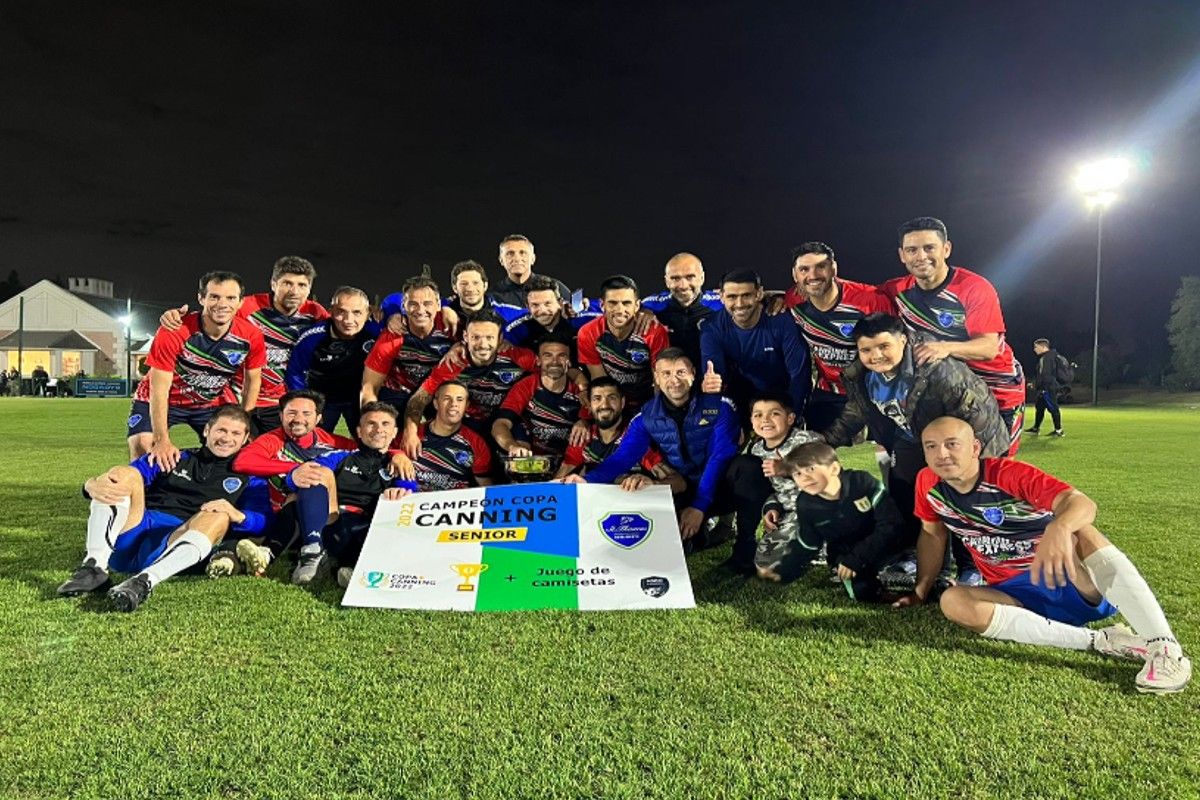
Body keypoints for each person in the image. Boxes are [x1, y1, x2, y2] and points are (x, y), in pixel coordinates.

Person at [896, 416, 1191, 694]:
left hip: (1072, 582)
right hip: (1014, 598)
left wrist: (1059, 527)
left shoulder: (1007, 474)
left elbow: (1081, 503)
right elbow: (932, 535)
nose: (942, 454)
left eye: (952, 444)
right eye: (931, 446)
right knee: (953, 601)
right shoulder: (927, 483)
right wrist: (920, 592)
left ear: (975, 448)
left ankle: (1165, 648)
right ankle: (1102, 640)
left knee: (1082, 531)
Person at [823, 313, 1008, 585]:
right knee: (904, 495)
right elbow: (856, 411)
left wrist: (967, 459)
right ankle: (913, 556)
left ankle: (970, 567)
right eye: (866, 349)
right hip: (913, 439)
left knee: (959, 497)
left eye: (884, 346)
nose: (876, 356)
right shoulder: (862, 376)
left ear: (903, 341)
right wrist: (825, 441)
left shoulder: (939, 370)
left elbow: (975, 416)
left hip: (968, 440)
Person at [56, 404, 271, 612]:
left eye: (235, 433)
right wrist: (89, 485)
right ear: (207, 430)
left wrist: (237, 514)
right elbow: (124, 476)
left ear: (245, 439)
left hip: (176, 544)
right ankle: (94, 566)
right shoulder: (175, 457)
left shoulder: (250, 478)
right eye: (221, 430)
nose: (226, 438)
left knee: (219, 515)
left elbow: (264, 521)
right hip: (134, 533)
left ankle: (144, 582)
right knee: (123, 473)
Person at [567, 349, 754, 571]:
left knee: (748, 468)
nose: (674, 380)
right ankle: (697, 533)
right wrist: (587, 480)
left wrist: (699, 506)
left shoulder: (720, 406)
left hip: (721, 487)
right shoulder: (647, 416)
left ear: (693, 374)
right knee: (662, 542)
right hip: (685, 488)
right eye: (666, 373)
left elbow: (719, 458)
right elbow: (623, 458)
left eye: (681, 372)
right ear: (656, 377)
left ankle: (746, 547)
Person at [881, 217, 1026, 454]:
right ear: (902, 255)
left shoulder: (973, 287)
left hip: (997, 388)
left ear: (946, 249)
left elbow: (989, 348)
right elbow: (856, 298)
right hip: (947, 392)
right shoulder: (896, 290)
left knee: (993, 468)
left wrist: (944, 347)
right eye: (912, 250)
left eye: (929, 248)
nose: (921, 256)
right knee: (943, 462)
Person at [160, 256, 327, 434]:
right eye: (287, 283)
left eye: (302, 285)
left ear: (309, 289)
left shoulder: (316, 314)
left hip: (279, 401)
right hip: (237, 396)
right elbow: (214, 314)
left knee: (282, 449)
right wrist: (174, 316)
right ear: (273, 284)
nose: (294, 291)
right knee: (230, 446)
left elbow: (340, 331)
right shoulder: (246, 307)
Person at [128, 271, 266, 468]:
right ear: (201, 298)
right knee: (143, 445)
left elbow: (253, 380)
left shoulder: (251, 335)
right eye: (214, 297)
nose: (222, 304)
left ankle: (209, 485)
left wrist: (245, 421)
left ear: (240, 302)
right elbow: (159, 390)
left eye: (230, 298)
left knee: (234, 449)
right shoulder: (174, 330)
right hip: (164, 399)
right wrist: (161, 439)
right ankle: (142, 486)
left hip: (210, 402)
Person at [276, 402, 417, 585]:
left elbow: (410, 493)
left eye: (385, 424)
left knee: (390, 518)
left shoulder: (400, 465)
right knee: (313, 476)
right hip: (330, 521)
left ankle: (348, 567)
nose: (378, 429)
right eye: (371, 423)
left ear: (395, 432)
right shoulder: (340, 457)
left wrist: (399, 492)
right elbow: (301, 477)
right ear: (359, 431)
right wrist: (293, 478)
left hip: (367, 528)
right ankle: (312, 552)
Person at [758, 442, 909, 601]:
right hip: (846, 556)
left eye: (811, 469)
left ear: (834, 469)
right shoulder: (805, 504)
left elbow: (891, 524)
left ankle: (903, 570)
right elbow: (808, 543)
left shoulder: (862, 482)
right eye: (797, 473)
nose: (805, 477)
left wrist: (858, 557)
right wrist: (783, 570)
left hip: (884, 546)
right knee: (862, 593)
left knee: (905, 574)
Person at [784, 242, 894, 433]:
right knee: (818, 447)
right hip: (829, 390)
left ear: (833, 269)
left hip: (873, 390)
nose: (813, 275)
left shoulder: (870, 300)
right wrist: (772, 299)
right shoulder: (793, 300)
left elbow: (895, 346)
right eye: (804, 269)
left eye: (821, 266)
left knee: (883, 448)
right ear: (795, 275)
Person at [400, 311, 537, 455]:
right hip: (468, 423)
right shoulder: (454, 363)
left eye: (490, 337)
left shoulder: (518, 357)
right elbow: (419, 399)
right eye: (476, 337)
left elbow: (549, 372)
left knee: (521, 451)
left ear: (500, 338)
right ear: (465, 337)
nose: (483, 345)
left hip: (509, 421)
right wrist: (410, 433)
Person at [701, 269, 811, 426]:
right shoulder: (712, 328)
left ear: (759, 294)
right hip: (742, 397)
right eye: (732, 297)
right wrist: (713, 384)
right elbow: (715, 375)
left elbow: (799, 375)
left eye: (746, 295)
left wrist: (790, 418)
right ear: (722, 297)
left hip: (783, 395)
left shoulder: (781, 321)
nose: (739, 304)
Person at [735, 395, 822, 578]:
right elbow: (771, 489)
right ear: (751, 420)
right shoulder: (757, 450)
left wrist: (787, 469)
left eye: (774, 413)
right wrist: (772, 507)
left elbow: (827, 480)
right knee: (766, 562)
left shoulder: (807, 440)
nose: (765, 420)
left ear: (790, 418)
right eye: (758, 415)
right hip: (791, 513)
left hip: (821, 509)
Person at [285, 286, 381, 434]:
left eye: (357, 312)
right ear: (331, 311)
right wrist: (306, 404)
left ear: (367, 313)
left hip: (359, 399)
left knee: (369, 439)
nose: (349, 320)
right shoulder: (313, 337)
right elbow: (295, 372)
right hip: (323, 400)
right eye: (341, 312)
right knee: (313, 441)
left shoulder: (377, 333)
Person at [362, 275, 456, 413]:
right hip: (399, 391)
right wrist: (369, 418)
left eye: (427, 304)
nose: (420, 310)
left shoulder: (452, 329)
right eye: (413, 304)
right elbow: (370, 387)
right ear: (404, 306)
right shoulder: (394, 333)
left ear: (438, 305)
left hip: (437, 391)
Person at [577, 275, 669, 411]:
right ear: (602, 305)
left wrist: (656, 414)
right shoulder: (588, 332)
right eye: (612, 303)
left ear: (637, 306)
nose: (620, 310)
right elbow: (601, 382)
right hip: (614, 400)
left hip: (647, 399)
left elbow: (660, 379)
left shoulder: (654, 332)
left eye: (626, 303)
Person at [553, 377, 669, 481]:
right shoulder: (583, 436)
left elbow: (675, 480)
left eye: (611, 398)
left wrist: (651, 484)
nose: (604, 405)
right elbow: (561, 477)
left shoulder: (637, 438)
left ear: (622, 402)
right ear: (589, 405)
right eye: (597, 398)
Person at [492, 336, 587, 458]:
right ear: (538, 361)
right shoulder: (526, 385)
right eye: (548, 355)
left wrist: (585, 421)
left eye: (561, 355)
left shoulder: (581, 391)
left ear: (569, 361)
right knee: (517, 426)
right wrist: (512, 446)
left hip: (567, 458)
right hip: (529, 458)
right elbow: (500, 424)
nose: (555, 361)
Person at [640, 252, 723, 369]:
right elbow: (630, 308)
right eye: (675, 278)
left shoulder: (721, 304)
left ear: (702, 278)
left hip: (712, 375)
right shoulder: (651, 306)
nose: (683, 285)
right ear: (667, 281)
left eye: (690, 277)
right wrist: (642, 311)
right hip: (671, 376)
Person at [406, 381, 494, 491]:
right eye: (447, 398)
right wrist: (397, 455)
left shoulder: (477, 443)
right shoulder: (412, 435)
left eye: (460, 399)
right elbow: (390, 459)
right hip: (413, 498)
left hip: (456, 501)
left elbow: (486, 486)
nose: (453, 404)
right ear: (436, 403)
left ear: (466, 406)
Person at [502, 275, 600, 360]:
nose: (542, 310)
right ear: (527, 307)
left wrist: (589, 304)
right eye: (535, 305)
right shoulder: (520, 327)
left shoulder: (578, 318)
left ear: (560, 303)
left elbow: (606, 309)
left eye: (547, 303)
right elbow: (502, 338)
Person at [490, 234, 572, 307]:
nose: (517, 258)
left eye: (523, 253)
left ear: (533, 259)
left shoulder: (556, 288)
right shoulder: (492, 297)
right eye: (510, 254)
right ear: (501, 260)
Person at [1027, 338, 1065, 437]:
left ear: (1043, 347)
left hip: (1047, 388)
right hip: (1046, 388)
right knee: (1040, 408)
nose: (1034, 349)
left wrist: (1036, 385)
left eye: (1036, 347)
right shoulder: (1050, 356)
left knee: (1053, 408)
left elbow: (1045, 375)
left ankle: (1059, 430)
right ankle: (1036, 428)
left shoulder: (1047, 358)